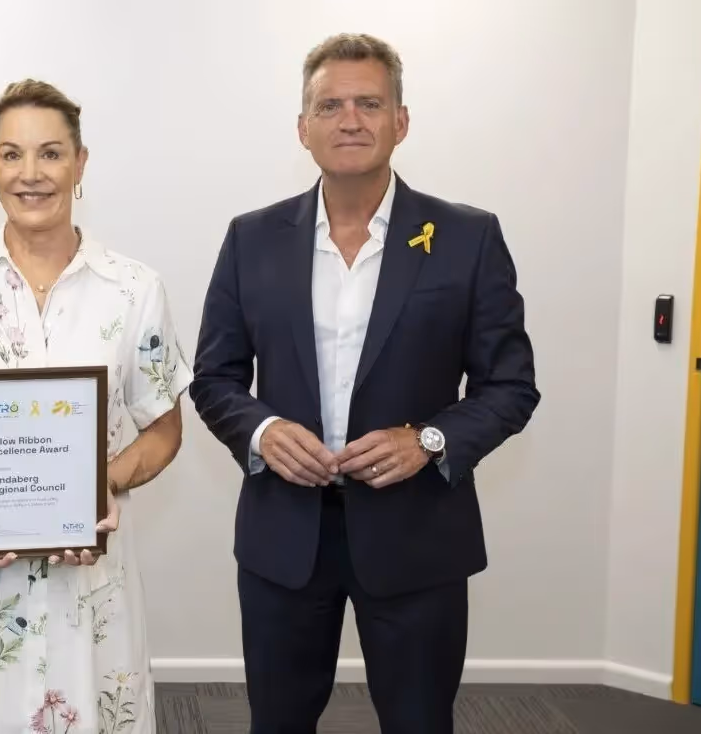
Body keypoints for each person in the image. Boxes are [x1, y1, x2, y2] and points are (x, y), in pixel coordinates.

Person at [189, 33, 540, 734]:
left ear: (400, 121)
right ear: (304, 128)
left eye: (369, 103)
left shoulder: (467, 238)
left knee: (418, 722)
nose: (350, 119)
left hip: (417, 538)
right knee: (277, 723)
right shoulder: (250, 238)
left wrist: (430, 440)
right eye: (330, 105)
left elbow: (510, 386)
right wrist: (262, 430)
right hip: (283, 538)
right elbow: (214, 378)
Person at [0, 79, 191, 734]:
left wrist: (96, 485)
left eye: (50, 154)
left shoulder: (134, 289)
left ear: (81, 164)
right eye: (11, 155)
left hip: (92, 565)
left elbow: (164, 430)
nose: (30, 174)